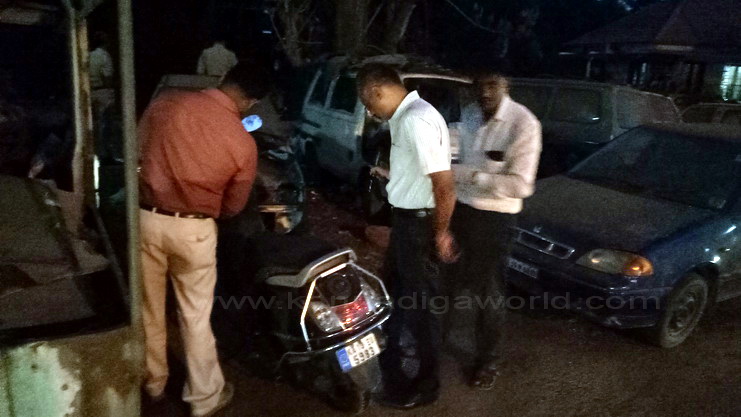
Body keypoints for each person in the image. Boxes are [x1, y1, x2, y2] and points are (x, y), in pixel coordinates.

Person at [138, 63, 269, 417]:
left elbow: (135, 153)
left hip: (146, 219)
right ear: (251, 101)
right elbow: (234, 205)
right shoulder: (242, 141)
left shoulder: (165, 104)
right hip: (195, 230)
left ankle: (153, 383)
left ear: (224, 79)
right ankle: (203, 398)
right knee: (194, 315)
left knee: (149, 308)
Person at [357, 63, 457, 409]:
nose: (370, 112)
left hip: (418, 228)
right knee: (396, 298)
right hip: (406, 225)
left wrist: (439, 233)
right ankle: (391, 367)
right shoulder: (407, 117)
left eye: (368, 103)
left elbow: (444, 185)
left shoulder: (415, 119)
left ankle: (428, 386)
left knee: (421, 310)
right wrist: (391, 176)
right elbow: (421, 172)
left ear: (377, 91)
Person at [449, 73, 541, 390]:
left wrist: (471, 176)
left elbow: (521, 186)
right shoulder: (470, 113)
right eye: (479, 84)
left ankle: (487, 361)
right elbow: (456, 146)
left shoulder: (523, 123)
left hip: (495, 220)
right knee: (446, 281)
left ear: (506, 85)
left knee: (488, 293)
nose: (484, 91)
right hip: (460, 211)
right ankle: (434, 343)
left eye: (492, 84)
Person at [89, 31, 117, 162]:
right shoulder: (105, 56)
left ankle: (95, 152)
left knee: (95, 125)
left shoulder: (89, 55)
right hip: (103, 92)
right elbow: (107, 78)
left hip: (91, 92)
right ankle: (106, 154)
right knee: (106, 125)